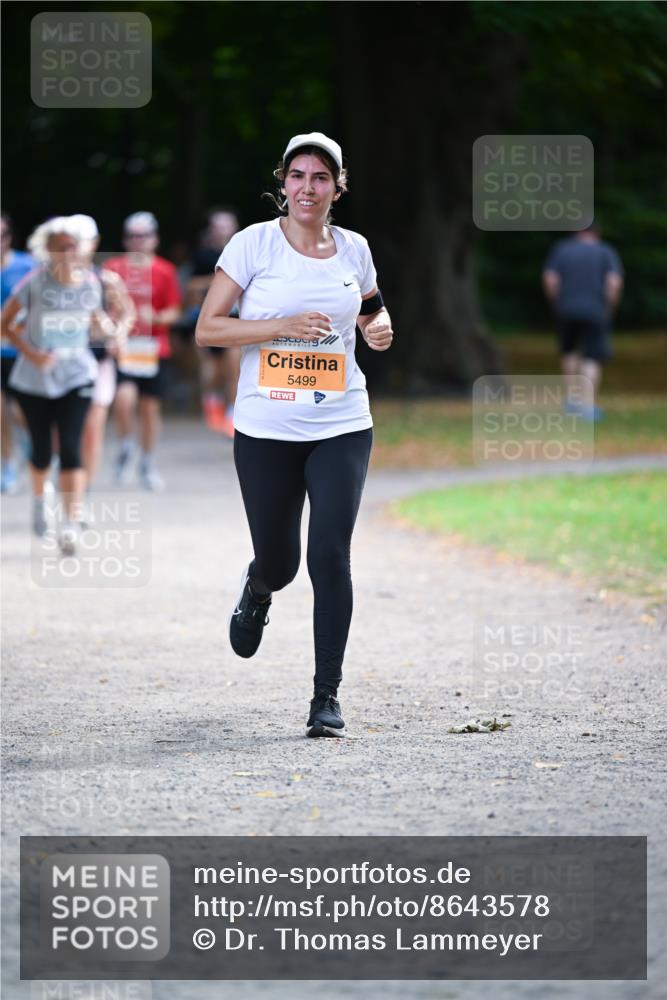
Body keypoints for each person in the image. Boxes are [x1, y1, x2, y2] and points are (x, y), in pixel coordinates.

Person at [196, 132, 394, 738]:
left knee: (329, 554)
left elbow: (370, 307)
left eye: (321, 178)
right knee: (282, 562)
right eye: (299, 176)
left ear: (337, 188)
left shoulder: (354, 249)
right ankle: (258, 588)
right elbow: (209, 328)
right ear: (283, 183)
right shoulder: (253, 244)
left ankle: (326, 697)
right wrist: (280, 324)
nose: (309, 188)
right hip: (265, 427)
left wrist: (379, 327)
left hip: (341, 421)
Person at [0, 217, 121, 553]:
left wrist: (109, 329)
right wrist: (31, 352)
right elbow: (5, 324)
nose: (68, 253)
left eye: (73, 246)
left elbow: (97, 322)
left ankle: (70, 522)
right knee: (41, 449)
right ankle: (41, 499)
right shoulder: (33, 283)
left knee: (70, 445)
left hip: (76, 376)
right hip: (33, 379)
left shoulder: (91, 283)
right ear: (48, 251)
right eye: (61, 247)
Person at [105, 212, 182, 491]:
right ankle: (126, 445)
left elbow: (175, 311)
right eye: (134, 235)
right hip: (123, 346)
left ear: (155, 239)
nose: (139, 241)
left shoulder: (165, 270)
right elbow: (99, 306)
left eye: (144, 235)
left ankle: (147, 462)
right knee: (123, 400)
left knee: (150, 409)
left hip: (154, 348)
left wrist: (158, 318)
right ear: (126, 239)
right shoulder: (112, 267)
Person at [69, 215, 135, 493]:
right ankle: (67, 485)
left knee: (92, 429)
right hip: (63, 364)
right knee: (65, 433)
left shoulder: (106, 279)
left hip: (98, 362)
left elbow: (127, 313)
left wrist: (117, 335)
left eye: (80, 242)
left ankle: (84, 491)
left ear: (93, 244)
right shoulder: (50, 281)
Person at [542, 223, 624, 420]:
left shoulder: (562, 249)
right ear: (597, 232)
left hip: (566, 309)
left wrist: (556, 301)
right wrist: (609, 306)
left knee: (569, 352)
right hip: (596, 310)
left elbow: (550, 278)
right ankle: (588, 406)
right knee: (591, 357)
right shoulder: (605, 251)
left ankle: (572, 400)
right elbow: (614, 281)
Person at [185, 208, 242, 436]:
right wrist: (221, 280)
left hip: (236, 320)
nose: (221, 230)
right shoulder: (202, 255)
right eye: (217, 226)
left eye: (225, 225)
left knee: (234, 369)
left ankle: (232, 414)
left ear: (234, 227)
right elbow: (191, 287)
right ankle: (211, 400)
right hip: (209, 320)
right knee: (212, 371)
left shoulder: (243, 251)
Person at [1, 213, 35, 493]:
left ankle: (30, 444)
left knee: (21, 411)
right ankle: (8, 464)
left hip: (20, 350)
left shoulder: (27, 266)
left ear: (9, 237)